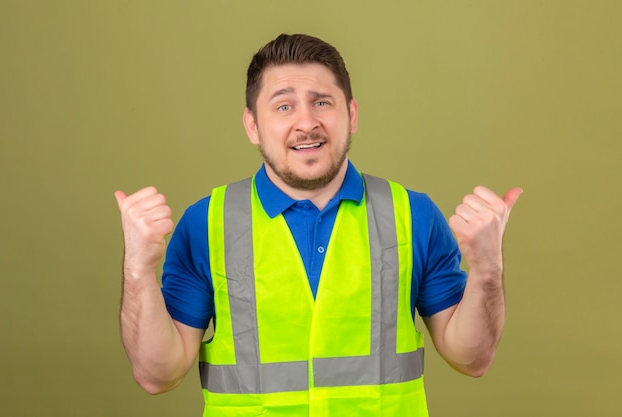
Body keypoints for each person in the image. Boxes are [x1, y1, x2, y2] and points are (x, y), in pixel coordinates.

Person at [115, 33, 522, 416]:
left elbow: (472, 358)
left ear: (352, 113)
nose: (306, 123)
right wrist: (137, 268)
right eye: (284, 105)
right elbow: (157, 375)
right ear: (252, 125)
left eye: (322, 102)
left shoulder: (412, 215)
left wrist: (487, 269)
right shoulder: (206, 223)